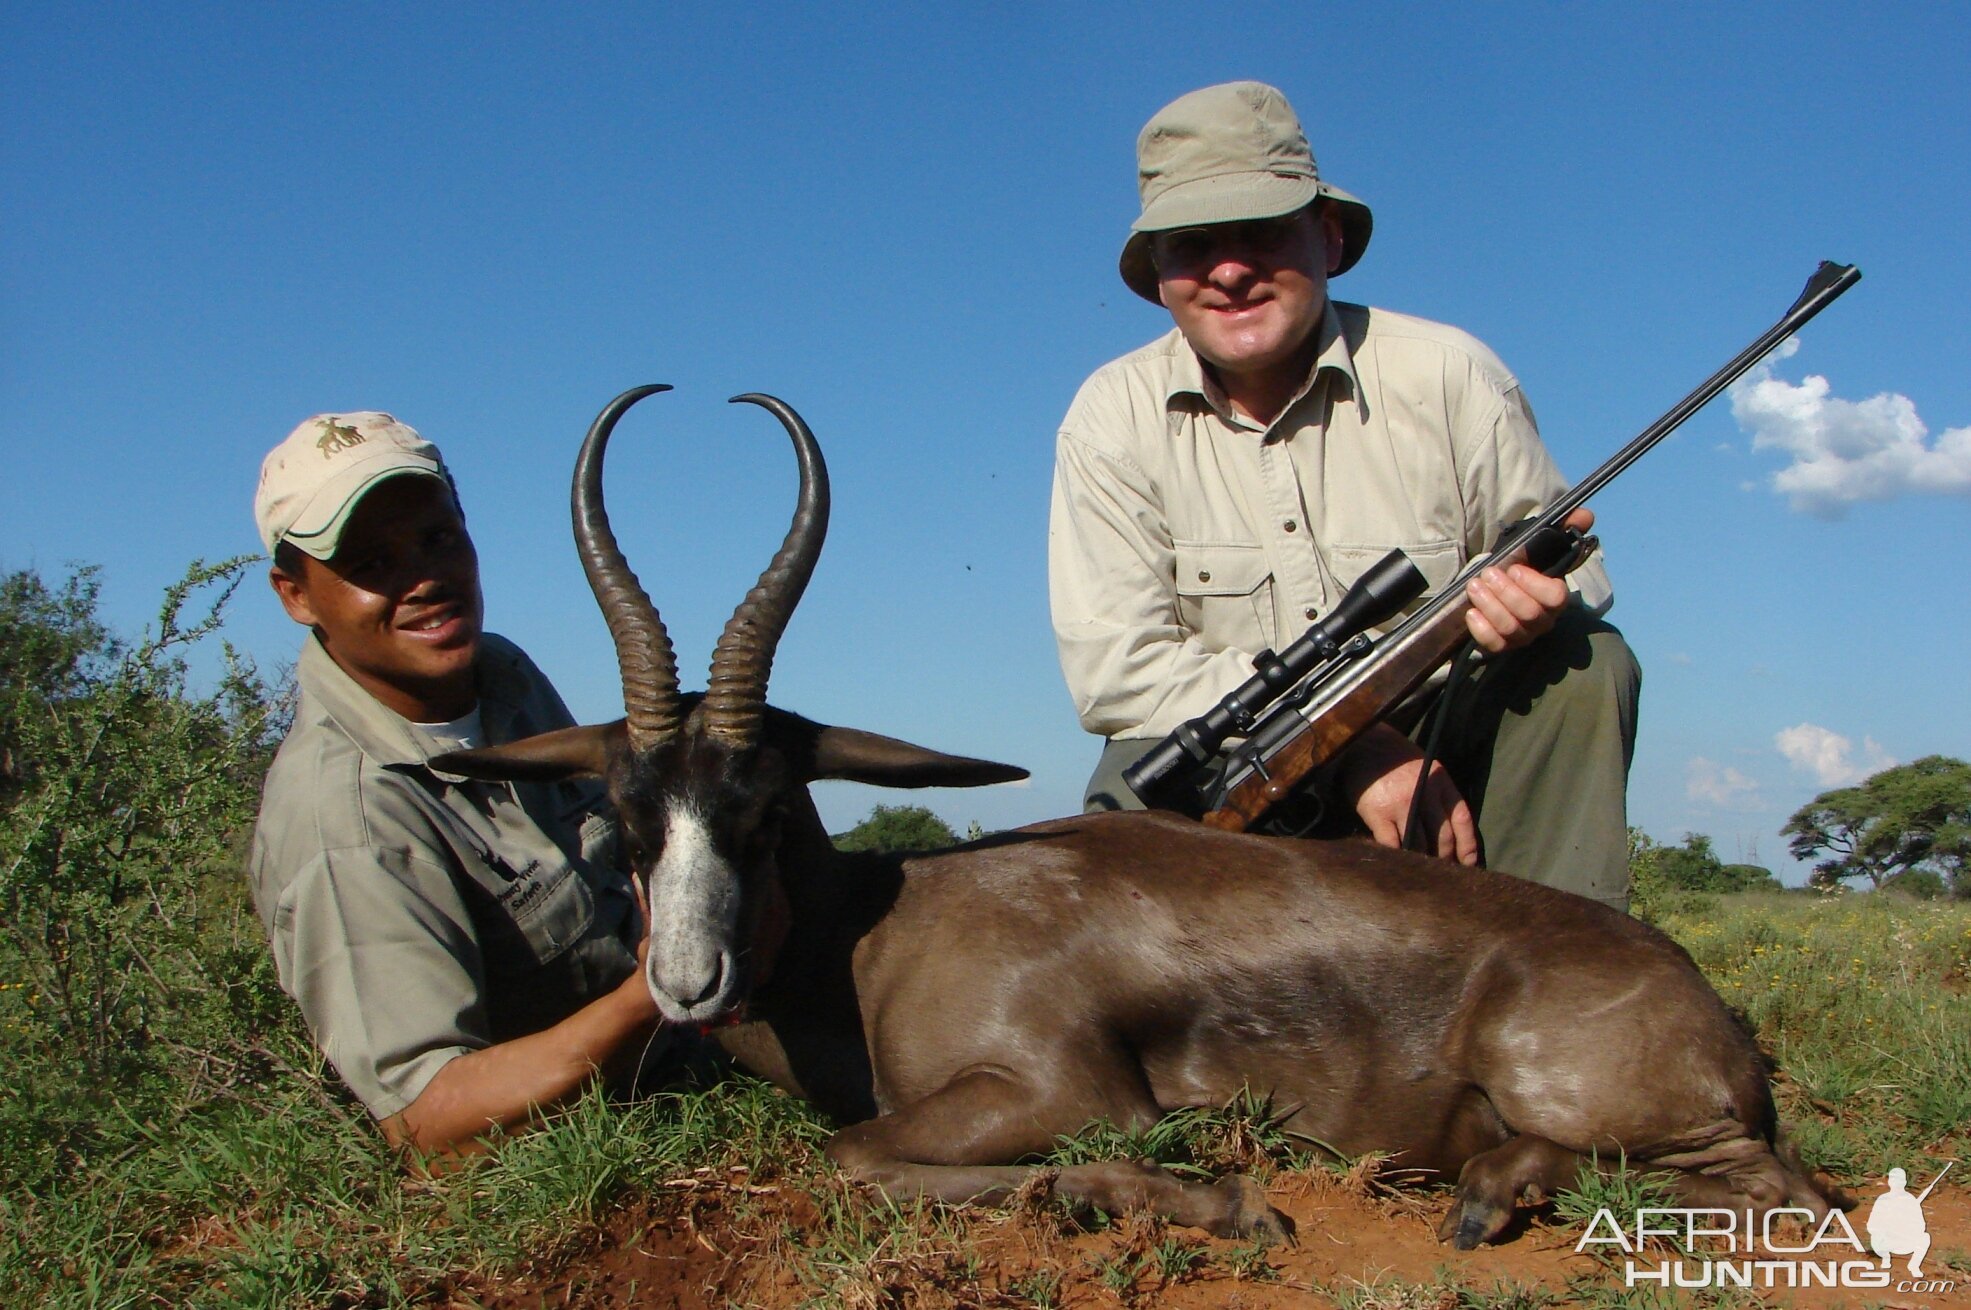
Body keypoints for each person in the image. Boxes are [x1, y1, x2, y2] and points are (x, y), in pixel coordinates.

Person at [1049, 81, 1640, 907]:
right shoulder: (1108, 416)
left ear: (1326, 236)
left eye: (1260, 232)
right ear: (1157, 274)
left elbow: (1575, 566)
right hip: (1231, 750)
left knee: (1583, 661)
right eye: (1191, 245)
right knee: (1125, 805)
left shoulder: (1449, 373)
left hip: (1444, 730)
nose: (1227, 270)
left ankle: (1567, 977)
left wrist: (1536, 603)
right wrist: (1350, 745)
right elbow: (1117, 675)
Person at [248, 411, 664, 1159]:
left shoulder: (498, 674)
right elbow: (426, 1121)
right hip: (605, 1113)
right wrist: (660, 989)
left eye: (438, 539)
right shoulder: (346, 819)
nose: (426, 581)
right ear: (297, 596)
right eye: (371, 563)